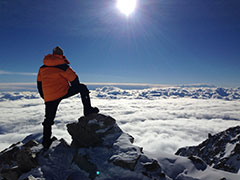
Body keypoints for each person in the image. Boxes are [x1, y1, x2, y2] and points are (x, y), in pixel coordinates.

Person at [37, 46, 99, 149]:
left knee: (48, 119)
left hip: (49, 97)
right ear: (61, 55)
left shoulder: (42, 67)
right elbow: (74, 80)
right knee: (82, 88)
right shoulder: (62, 66)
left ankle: (46, 141)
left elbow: (39, 83)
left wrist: (44, 96)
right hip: (62, 92)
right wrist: (73, 87)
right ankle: (88, 110)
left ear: (53, 54)